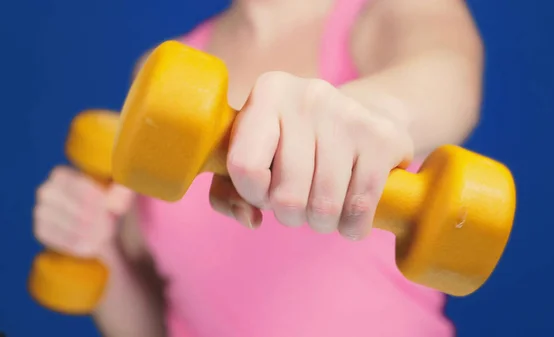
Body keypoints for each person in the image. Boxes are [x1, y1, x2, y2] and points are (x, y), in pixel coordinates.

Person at [33, 0, 483, 336]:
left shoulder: (393, 12)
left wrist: (373, 113)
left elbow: (445, 75)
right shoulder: (159, 71)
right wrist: (98, 247)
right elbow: (159, 322)